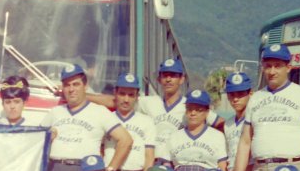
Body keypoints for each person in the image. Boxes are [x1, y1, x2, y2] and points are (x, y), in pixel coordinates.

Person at [87, 58, 223, 164]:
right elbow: (115, 101)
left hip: (175, 162)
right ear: (159, 79)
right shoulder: (149, 102)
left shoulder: (190, 105)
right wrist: (84, 96)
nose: (169, 79)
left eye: (173, 75)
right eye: (165, 75)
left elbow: (220, 122)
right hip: (152, 159)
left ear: (181, 79)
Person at [104, 72, 156, 171]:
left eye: (131, 95)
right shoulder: (105, 118)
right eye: (122, 94)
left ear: (137, 96)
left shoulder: (147, 122)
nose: (126, 99)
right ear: (115, 93)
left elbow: (149, 157)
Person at [167, 89, 227, 171]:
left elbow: (222, 167)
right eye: (189, 109)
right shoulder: (174, 136)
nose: (193, 113)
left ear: (207, 112)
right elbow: (168, 166)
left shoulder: (217, 136)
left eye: (198, 110)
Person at [223, 72, 253, 171]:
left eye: (240, 94)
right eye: (231, 94)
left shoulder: (254, 118)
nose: (235, 99)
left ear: (250, 93)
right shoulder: (228, 123)